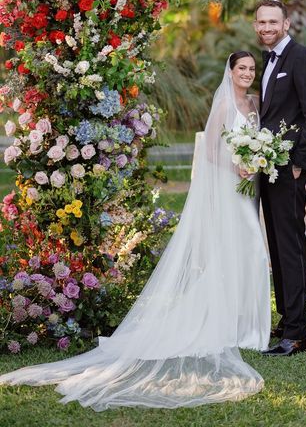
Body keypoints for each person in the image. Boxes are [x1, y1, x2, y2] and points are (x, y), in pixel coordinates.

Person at [0, 52, 271, 411]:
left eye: (252, 69)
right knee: (234, 249)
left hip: (245, 189)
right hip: (227, 187)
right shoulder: (224, 106)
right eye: (242, 69)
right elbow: (209, 151)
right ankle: (228, 325)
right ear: (231, 72)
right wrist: (237, 165)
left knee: (250, 249)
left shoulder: (254, 103)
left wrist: (254, 162)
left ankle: (248, 327)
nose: (247, 74)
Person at [254, 0, 306, 357]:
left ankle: (298, 334)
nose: (267, 28)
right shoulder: (268, 61)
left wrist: (299, 163)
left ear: (286, 25)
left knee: (292, 246)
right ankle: (287, 319)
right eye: (261, 22)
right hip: (269, 168)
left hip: (289, 169)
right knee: (278, 248)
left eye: (273, 22)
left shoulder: (301, 58)